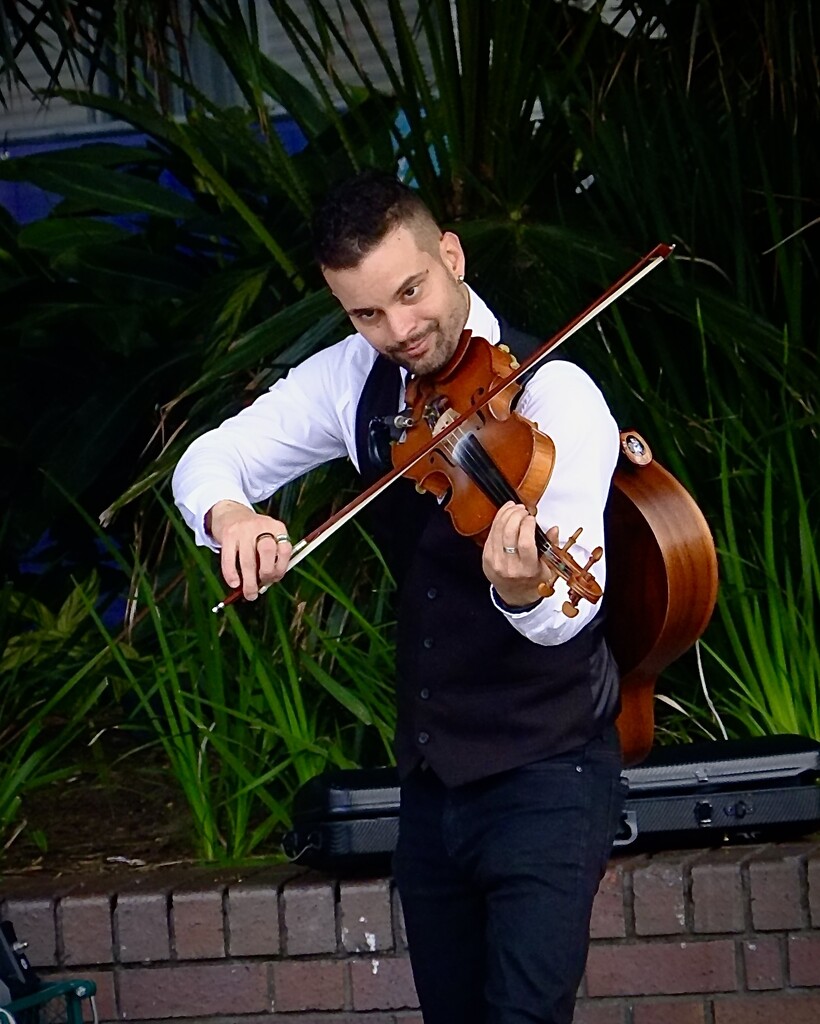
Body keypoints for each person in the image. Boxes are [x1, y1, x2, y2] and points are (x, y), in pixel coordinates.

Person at [172, 169, 625, 1024]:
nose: (399, 331)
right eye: (366, 313)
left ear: (449, 255)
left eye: (411, 293)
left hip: (549, 771)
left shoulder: (558, 395)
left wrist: (523, 590)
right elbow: (208, 460)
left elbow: (573, 610)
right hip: (432, 789)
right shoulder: (355, 378)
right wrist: (231, 517)